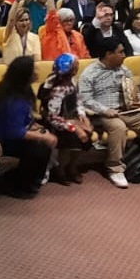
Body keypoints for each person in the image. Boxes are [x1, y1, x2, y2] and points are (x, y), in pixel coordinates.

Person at [78, 37, 140, 188]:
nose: (124, 55)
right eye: (120, 52)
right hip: (103, 114)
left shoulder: (124, 70)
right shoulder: (90, 72)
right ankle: (115, 168)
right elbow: (85, 99)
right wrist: (105, 110)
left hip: (126, 111)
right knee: (118, 127)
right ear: (108, 54)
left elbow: (135, 91)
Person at [0, 57, 55, 198]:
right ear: (25, 74)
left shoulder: (22, 89)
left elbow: (25, 118)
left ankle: (30, 182)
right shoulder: (12, 99)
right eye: (34, 69)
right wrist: (43, 136)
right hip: (1, 140)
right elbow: (14, 132)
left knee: (42, 142)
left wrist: (35, 127)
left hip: (13, 134)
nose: (38, 71)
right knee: (39, 148)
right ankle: (19, 186)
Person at [38, 53, 93, 184]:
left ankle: (73, 166)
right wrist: (75, 128)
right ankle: (60, 170)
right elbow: (53, 118)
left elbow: (77, 100)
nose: (78, 68)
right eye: (76, 66)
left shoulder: (72, 81)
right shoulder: (57, 88)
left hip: (71, 117)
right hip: (57, 123)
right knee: (73, 137)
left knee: (87, 133)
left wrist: (82, 115)